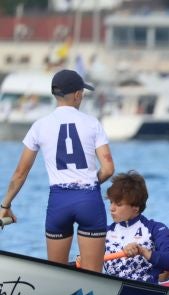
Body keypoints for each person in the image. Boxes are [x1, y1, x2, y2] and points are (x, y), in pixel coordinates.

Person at [0, 69, 114, 271]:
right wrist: (89, 182)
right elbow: (108, 169)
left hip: (59, 201)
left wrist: (5, 204)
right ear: (78, 95)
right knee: (93, 274)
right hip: (89, 200)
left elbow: (20, 173)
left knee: (58, 274)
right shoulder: (93, 123)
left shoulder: (39, 126)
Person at [103, 171, 169, 284]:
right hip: (110, 288)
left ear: (136, 207)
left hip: (145, 292)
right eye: (111, 202)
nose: (111, 208)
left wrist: (144, 252)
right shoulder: (104, 233)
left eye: (118, 204)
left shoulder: (155, 229)